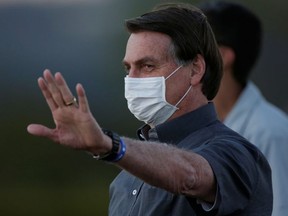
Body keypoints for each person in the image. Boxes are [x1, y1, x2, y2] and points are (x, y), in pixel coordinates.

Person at [27, 3, 273, 215]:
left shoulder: (236, 152)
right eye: (128, 68)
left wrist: (111, 146)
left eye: (147, 66)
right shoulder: (125, 179)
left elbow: (191, 175)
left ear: (196, 69)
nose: (132, 80)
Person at [200, 2, 288, 215]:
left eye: (193, 45)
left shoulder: (270, 132)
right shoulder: (196, 126)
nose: (179, 56)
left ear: (222, 56)